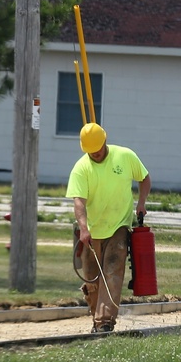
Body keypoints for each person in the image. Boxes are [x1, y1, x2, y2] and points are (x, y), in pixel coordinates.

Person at [66, 122, 151, 333]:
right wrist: (83, 228)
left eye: (98, 149)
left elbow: (144, 178)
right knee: (93, 277)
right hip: (93, 231)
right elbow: (79, 202)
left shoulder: (125, 156)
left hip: (119, 225)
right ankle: (97, 318)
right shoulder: (81, 168)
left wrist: (141, 202)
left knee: (113, 269)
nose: (95, 154)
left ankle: (104, 323)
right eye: (90, 152)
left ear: (105, 141)